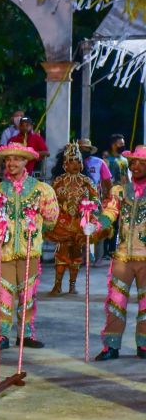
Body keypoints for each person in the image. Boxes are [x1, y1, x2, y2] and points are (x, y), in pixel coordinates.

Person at [0, 143, 58, 350]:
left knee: (28, 295)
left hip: (29, 251)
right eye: (8, 159)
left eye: (17, 159)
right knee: (4, 295)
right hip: (5, 250)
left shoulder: (41, 190)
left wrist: (34, 225)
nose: (11, 163)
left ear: (26, 162)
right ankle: (2, 336)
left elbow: (52, 218)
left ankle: (24, 334)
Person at [94, 144, 146, 361]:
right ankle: (111, 346)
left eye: (141, 163)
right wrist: (95, 224)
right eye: (133, 162)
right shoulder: (120, 190)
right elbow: (110, 212)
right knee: (115, 302)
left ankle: (143, 345)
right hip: (123, 254)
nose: (135, 167)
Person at [44, 143, 101, 295]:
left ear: (82, 164)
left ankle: (72, 285)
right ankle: (57, 285)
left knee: (76, 252)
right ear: (64, 165)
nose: (75, 164)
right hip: (62, 222)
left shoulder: (87, 181)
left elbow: (97, 200)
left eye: (77, 161)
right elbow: (50, 199)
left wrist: (89, 206)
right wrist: (58, 205)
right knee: (62, 251)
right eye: (71, 161)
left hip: (80, 222)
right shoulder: (58, 181)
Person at [104, 134, 128, 260]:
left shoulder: (124, 160)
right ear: (113, 144)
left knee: (118, 224)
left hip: (121, 194)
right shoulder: (106, 159)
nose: (122, 146)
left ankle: (112, 249)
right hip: (108, 194)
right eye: (120, 143)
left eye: (123, 143)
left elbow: (125, 179)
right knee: (107, 222)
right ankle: (104, 251)